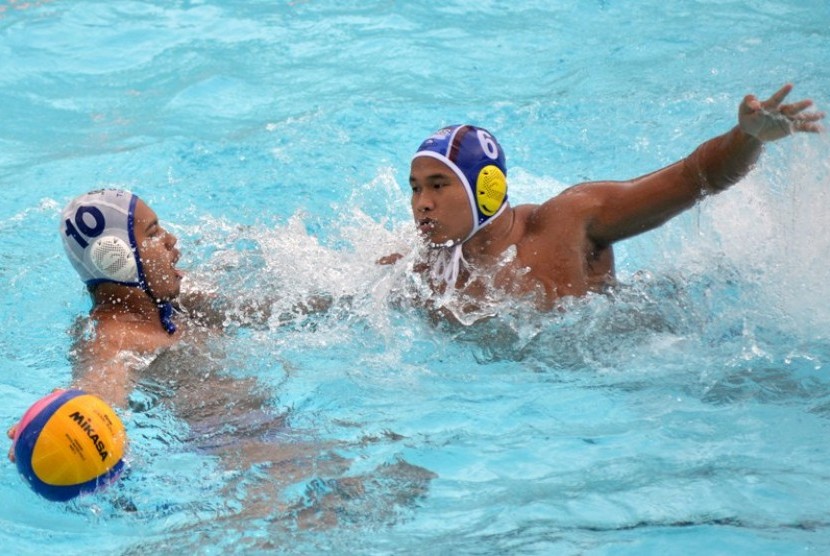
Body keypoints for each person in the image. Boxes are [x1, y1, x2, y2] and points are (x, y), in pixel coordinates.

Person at [380, 84, 824, 313]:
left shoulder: (569, 221)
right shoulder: (419, 269)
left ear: (486, 188)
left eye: (439, 185)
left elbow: (694, 177)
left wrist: (746, 137)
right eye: (416, 187)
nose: (422, 202)